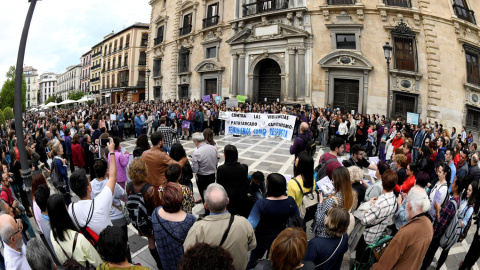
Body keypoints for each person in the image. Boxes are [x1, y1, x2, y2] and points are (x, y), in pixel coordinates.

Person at [183, 183, 256, 270]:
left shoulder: (198, 228)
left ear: (206, 206)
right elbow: (252, 245)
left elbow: (188, 253)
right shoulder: (243, 223)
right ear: (227, 201)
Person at [247, 173, 300, 269]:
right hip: (280, 240)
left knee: (253, 261)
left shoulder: (261, 204)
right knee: (274, 262)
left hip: (261, 239)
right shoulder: (291, 201)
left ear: (268, 186)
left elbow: (251, 224)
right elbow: (297, 218)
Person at [372, 186, 433, 269]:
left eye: (407, 201)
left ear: (410, 205)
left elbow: (383, 266)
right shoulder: (428, 224)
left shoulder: (404, 233)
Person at [68, 138, 117, 236]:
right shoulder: (100, 202)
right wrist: (111, 152)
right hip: (110, 242)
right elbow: (112, 178)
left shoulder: (71, 209)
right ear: (89, 188)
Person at [421, 177, 464, 270]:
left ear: (456, 187)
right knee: (430, 254)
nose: (451, 184)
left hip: (438, 235)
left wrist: (438, 211)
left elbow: (441, 223)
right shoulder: (458, 200)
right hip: (442, 233)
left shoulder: (451, 204)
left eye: (453, 183)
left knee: (429, 254)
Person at [47, 194, 103, 268]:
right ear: (63, 212)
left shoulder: (52, 234)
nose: (66, 206)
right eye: (64, 205)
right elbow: (98, 263)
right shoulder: (79, 239)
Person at [356, 169, 398, 266]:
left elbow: (364, 220)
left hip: (368, 236)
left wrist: (368, 205)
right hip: (379, 235)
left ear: (382, 183)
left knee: (361, 259)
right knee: (368, 258)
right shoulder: (394, 199)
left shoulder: (380, 202)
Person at [126, 159, 162, 269]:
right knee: (156, 240)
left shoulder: (129, 186)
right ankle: (161, 262)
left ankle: (158, 264)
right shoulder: (150, 189)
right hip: (151, 221)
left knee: (150, 241)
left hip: (139, 220)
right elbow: (157, 208)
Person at [152, 182, 196, 270]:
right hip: (183, 263)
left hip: (164, 259)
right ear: (181, 198)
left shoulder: (155, 212)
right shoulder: (189, 220)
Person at [434, 182, 477, 269]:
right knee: (444, 245)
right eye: (467, 189)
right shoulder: (464, 199)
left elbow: (463, 224)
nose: (467, 191)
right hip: (452, 227)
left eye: (470, 190)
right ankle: (437, 263)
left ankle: (438, 266)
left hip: (455, 231)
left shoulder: (471, 208)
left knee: (446, 249)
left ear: (473, 192)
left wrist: (456, 216)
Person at [90, 159, 128, 235]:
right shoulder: (111, 184)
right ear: (106, 170)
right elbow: (123, 193)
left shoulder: (90, 185)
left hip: (101, 219)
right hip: (117, 218)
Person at [314, 167, 355, 237]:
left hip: (325, 234)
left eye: (333, 179)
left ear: (337, 181)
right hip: (339, 231)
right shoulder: (352, 194)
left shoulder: (331, 201)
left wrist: (320, 203)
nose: (332, 182)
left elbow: (319, 221)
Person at [217, 145, 250, 217]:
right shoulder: (243, 167)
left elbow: (219, 186)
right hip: (240, 198)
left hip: (228, 199)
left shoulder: (221, 169)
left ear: (225, 155)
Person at [191, 132, 218, 213]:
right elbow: (215, 161)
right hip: (212, 175)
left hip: (202, 177)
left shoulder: (197, 152)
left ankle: (207, 212)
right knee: (210, 193)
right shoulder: (213, 148)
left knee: (204, 195)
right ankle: (212, 209)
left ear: (196, 141)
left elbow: (195, 169)